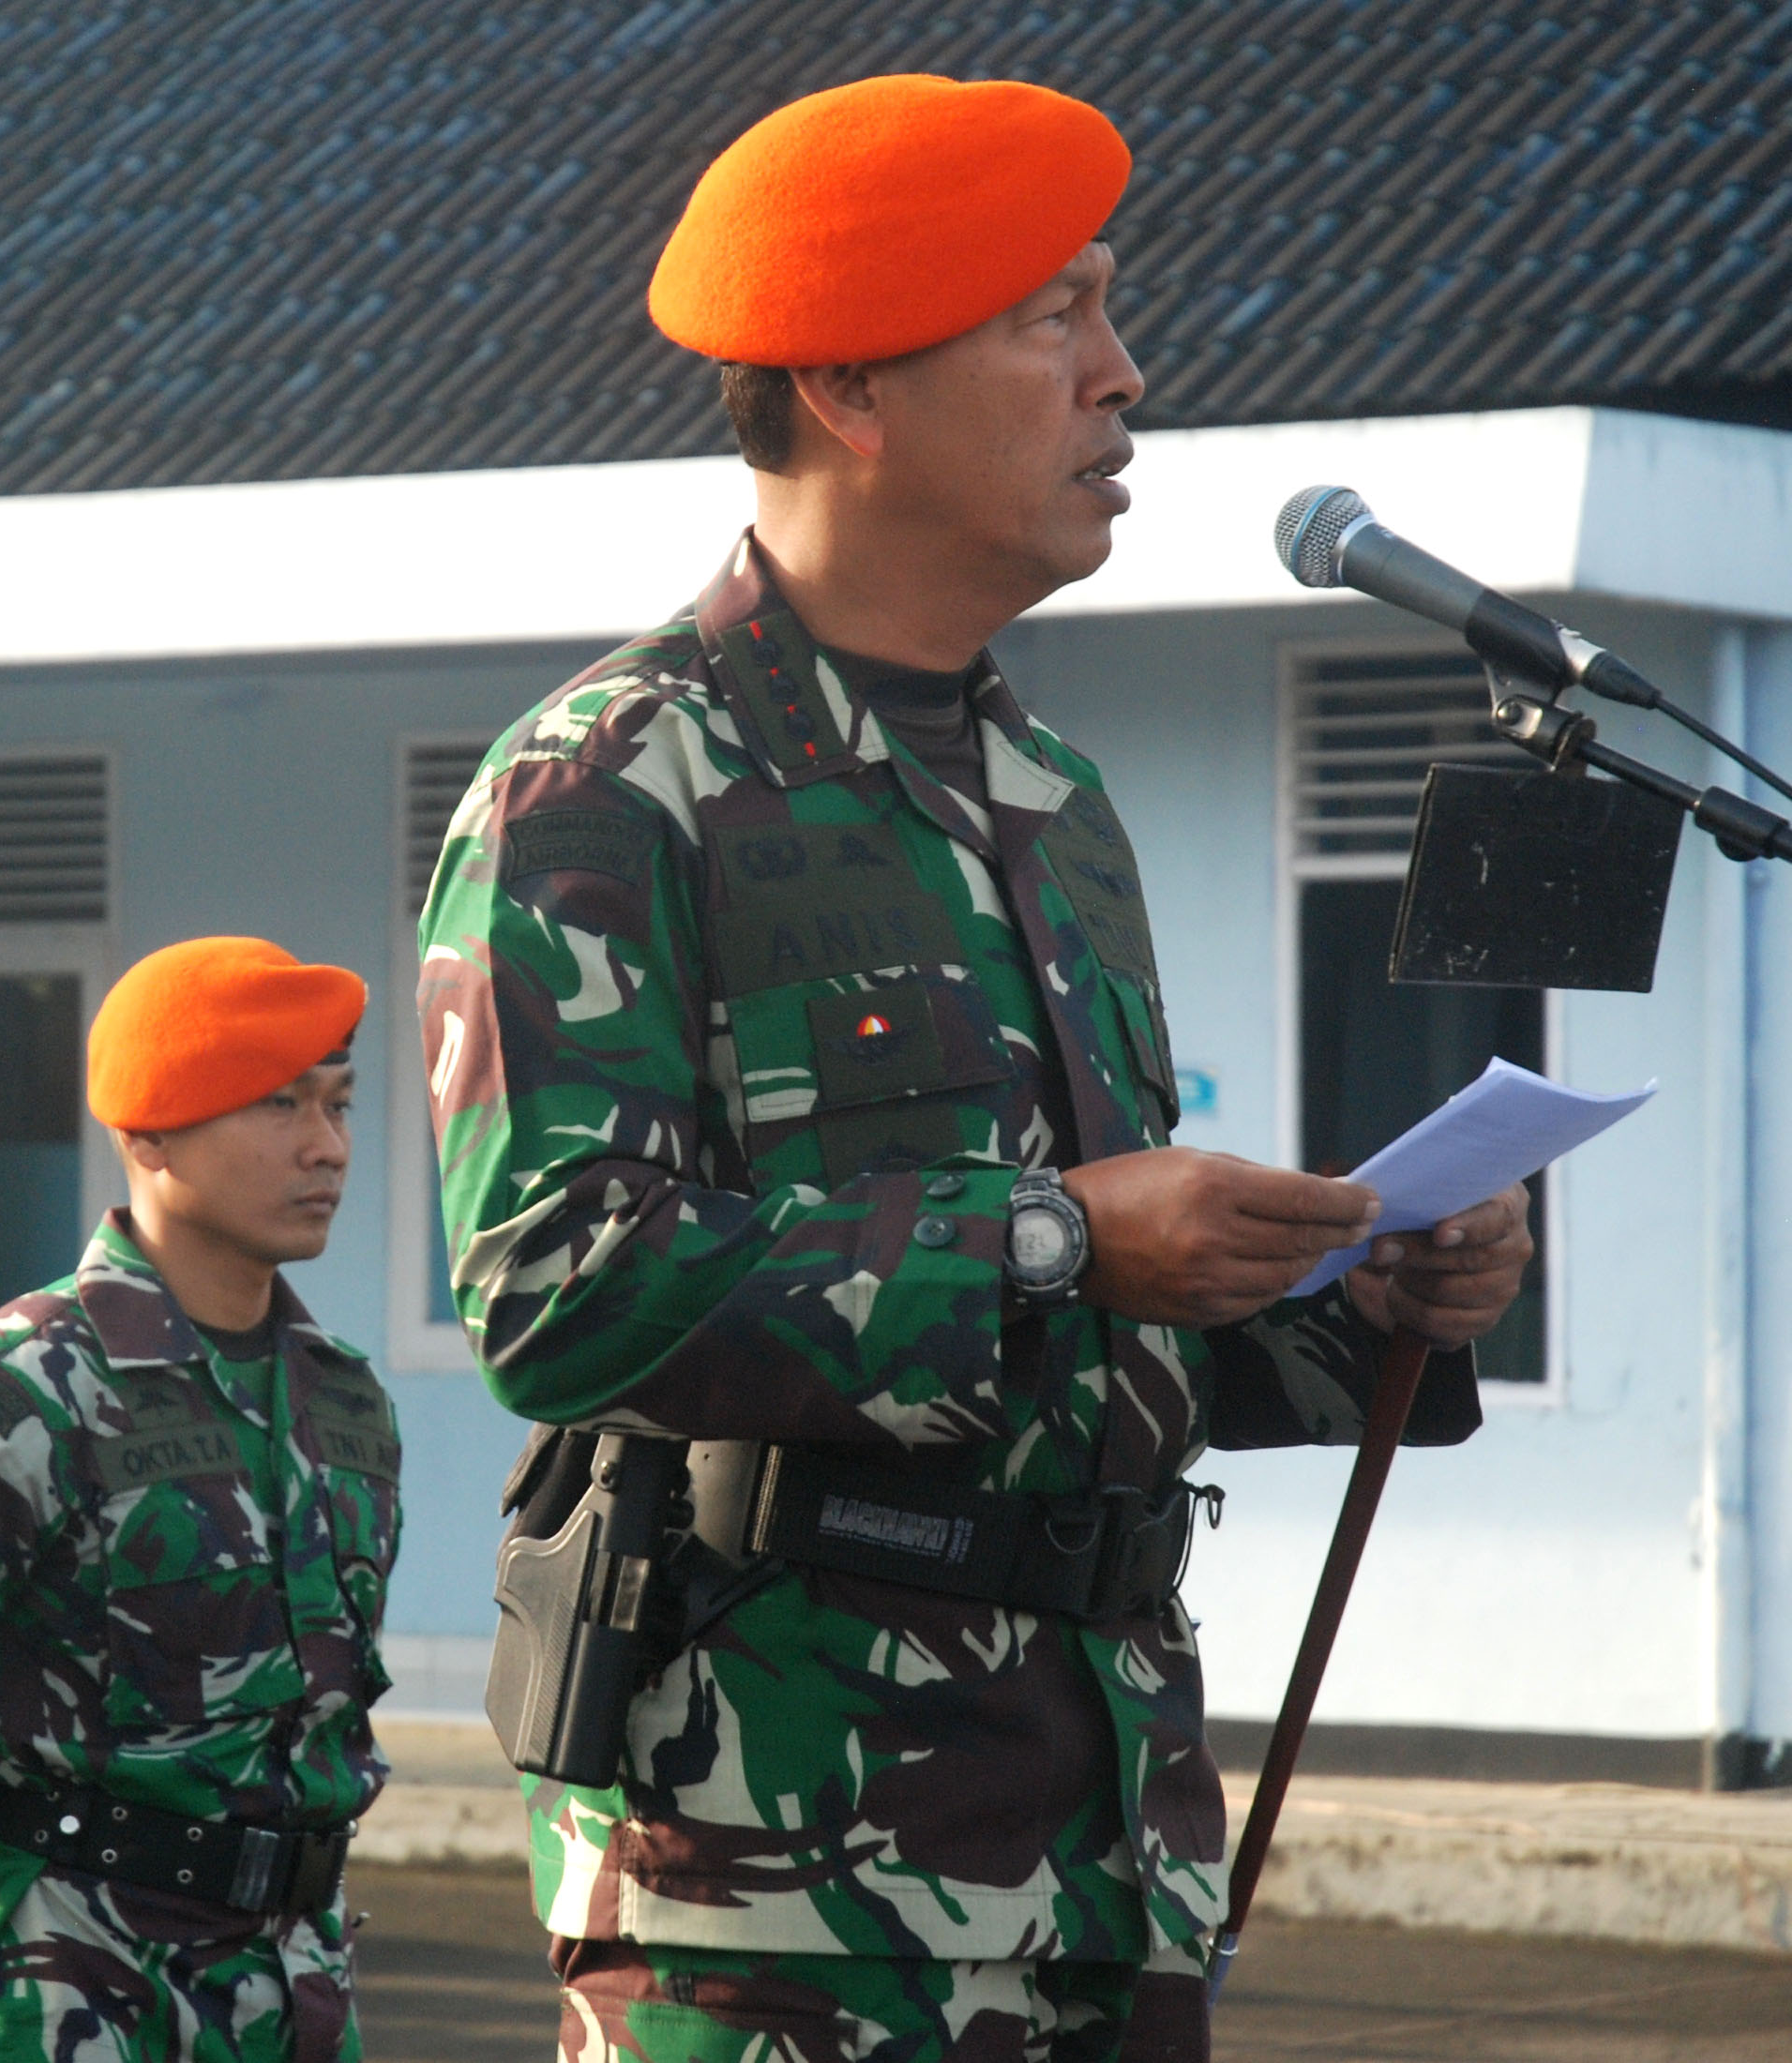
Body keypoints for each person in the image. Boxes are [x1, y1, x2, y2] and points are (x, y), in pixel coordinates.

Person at [415, 75, 1536, 2062]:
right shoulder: (610, 784)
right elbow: (554, 1284)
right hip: (777, 1882)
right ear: (854, 388)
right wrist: (1051, 1234)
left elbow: (1086, 1335)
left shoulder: (1053, 803)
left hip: (1102, 1845)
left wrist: (1362, 1300)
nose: (1126, 375)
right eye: (1061, 316)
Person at [0, 936, 401, 2063]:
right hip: (70, 1999)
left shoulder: (340, 1400)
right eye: (279, 1107)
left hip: (291, 1995)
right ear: (148, 1133)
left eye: (340, 1105)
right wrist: (1, 1858)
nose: (328, 1147)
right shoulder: (29, 1388)